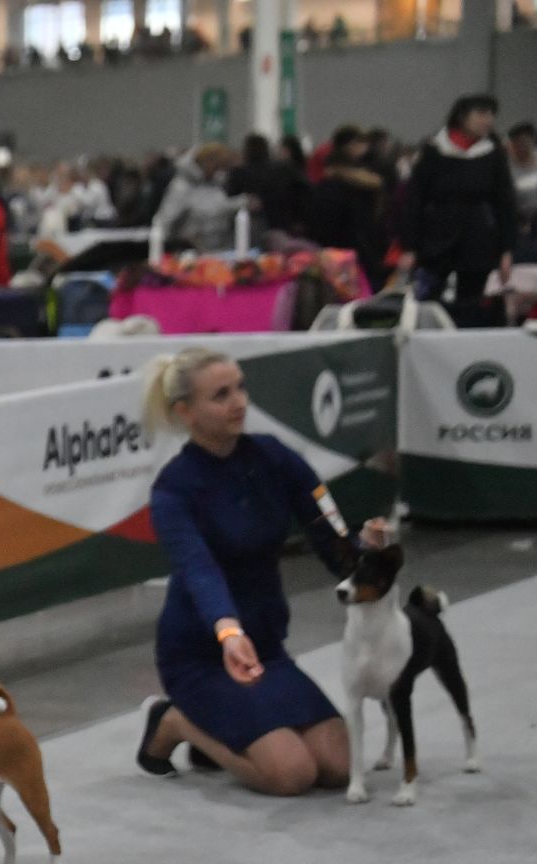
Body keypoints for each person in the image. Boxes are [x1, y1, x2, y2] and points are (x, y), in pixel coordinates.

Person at [135, 349, 388, 794]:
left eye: (240, 388)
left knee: (338, 766)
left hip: (265, 646)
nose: (239, 402)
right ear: (185, 412)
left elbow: (331, 539)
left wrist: (366, 549)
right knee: (291, 774)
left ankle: (220, 732)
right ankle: (176, 721)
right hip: (201, 653)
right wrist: (228, 631)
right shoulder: (173, 489)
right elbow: (198, 569)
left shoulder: (275, 457)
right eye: (220, 395)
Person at [400, 94, 517, 327]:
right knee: (429, 298)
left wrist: (507, 249)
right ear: (462, 116)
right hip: (436, 237)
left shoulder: (493, 153)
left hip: (478, 238)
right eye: (481, 114)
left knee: (473, 300)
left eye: (491, 115)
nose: (488, 121)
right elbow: (414, 200)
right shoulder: (435, 150)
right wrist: (409, 246)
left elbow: (505, 203)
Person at [308, 125, 391, 289]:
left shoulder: (330, 187)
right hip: (372, 254)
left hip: (341, 257)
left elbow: (323, 226)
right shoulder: (373, 184)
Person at [152, 143, 249, 252]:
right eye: (216, 164)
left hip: (218, 249)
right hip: (189, 252)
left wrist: (242, 202)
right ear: (203, 162)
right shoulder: (181, 187)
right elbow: (165, 221)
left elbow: (218, 208)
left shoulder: (216, 186)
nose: (219, 170)